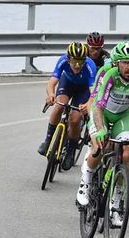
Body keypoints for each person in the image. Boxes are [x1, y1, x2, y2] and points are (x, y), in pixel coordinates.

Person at [76, 42, 129, 223]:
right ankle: (86, 180)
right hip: (102, 114)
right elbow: (98, 106)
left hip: (123, 116)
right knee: (99, 146)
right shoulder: (110, 75)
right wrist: (101, 130)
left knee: (126, 153)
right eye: (125, 63)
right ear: (117, 63)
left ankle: (117, 202)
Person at [40, 42, 97, 170]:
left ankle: (70, 151)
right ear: (68, 59)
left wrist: (88, 104)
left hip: (83, 90)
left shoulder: (90, 66)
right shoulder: (62, 61)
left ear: (84, 60)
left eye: (80, 61)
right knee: (59, 106)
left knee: (75, 119)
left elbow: (93, 92)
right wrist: (51, 95)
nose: (77, 65)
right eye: (74, 61)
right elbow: (52, 83)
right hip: (67, 84)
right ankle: (48, 141)